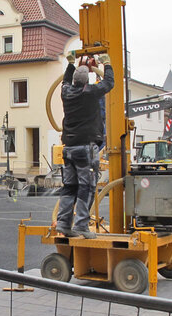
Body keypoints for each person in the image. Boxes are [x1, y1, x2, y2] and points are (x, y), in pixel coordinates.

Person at [56, 52, 114, 239]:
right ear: (86, 81)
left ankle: (63, 224)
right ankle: (81, 225)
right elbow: (109, 83)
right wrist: (107, 64)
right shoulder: (90, 92)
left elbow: (65, 81)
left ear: (74, 81)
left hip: (69, 148)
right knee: (86, 187)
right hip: (86, 149)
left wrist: (70, 64)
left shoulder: (66, 92)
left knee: (69, 187)